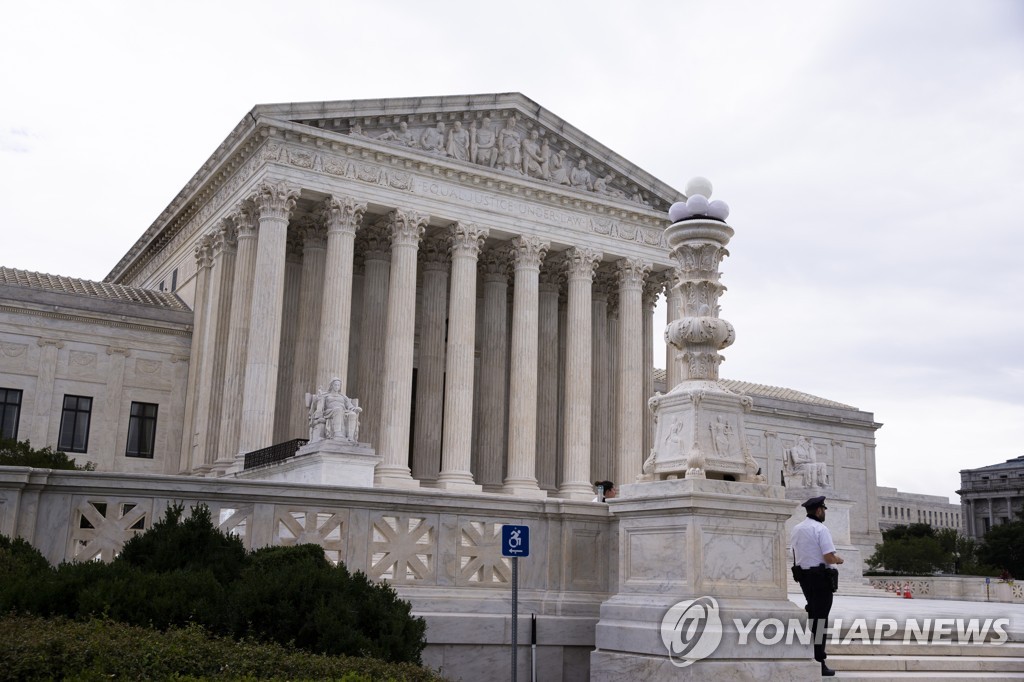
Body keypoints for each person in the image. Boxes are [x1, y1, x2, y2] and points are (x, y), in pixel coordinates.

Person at [790, 496, 843, 677]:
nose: (825, 512)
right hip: (821, 579)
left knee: (814, 618)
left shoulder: (796, 529)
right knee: (821, 621)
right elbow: (828, 557)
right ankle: (819, 661)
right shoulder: (820, 529)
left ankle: (810, 656)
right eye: (824, 509)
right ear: (819, 510)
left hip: (805, 578)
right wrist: (838, 559)